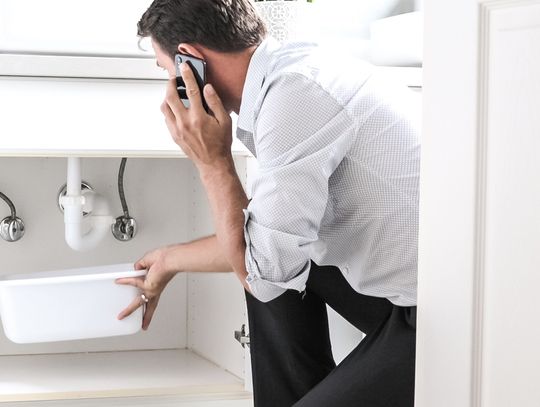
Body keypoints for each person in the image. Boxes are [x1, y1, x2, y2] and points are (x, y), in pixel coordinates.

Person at [116, 0, 420, 406]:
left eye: (167, 70)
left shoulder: (294, 98)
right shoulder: (289, 76)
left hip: (446, 318)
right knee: (274, 254)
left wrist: (213, 162)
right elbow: (268, 244)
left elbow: (263, 274)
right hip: (409, 294)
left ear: (190, 60)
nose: (170, 84)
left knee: (266, 274)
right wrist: (170, 259)